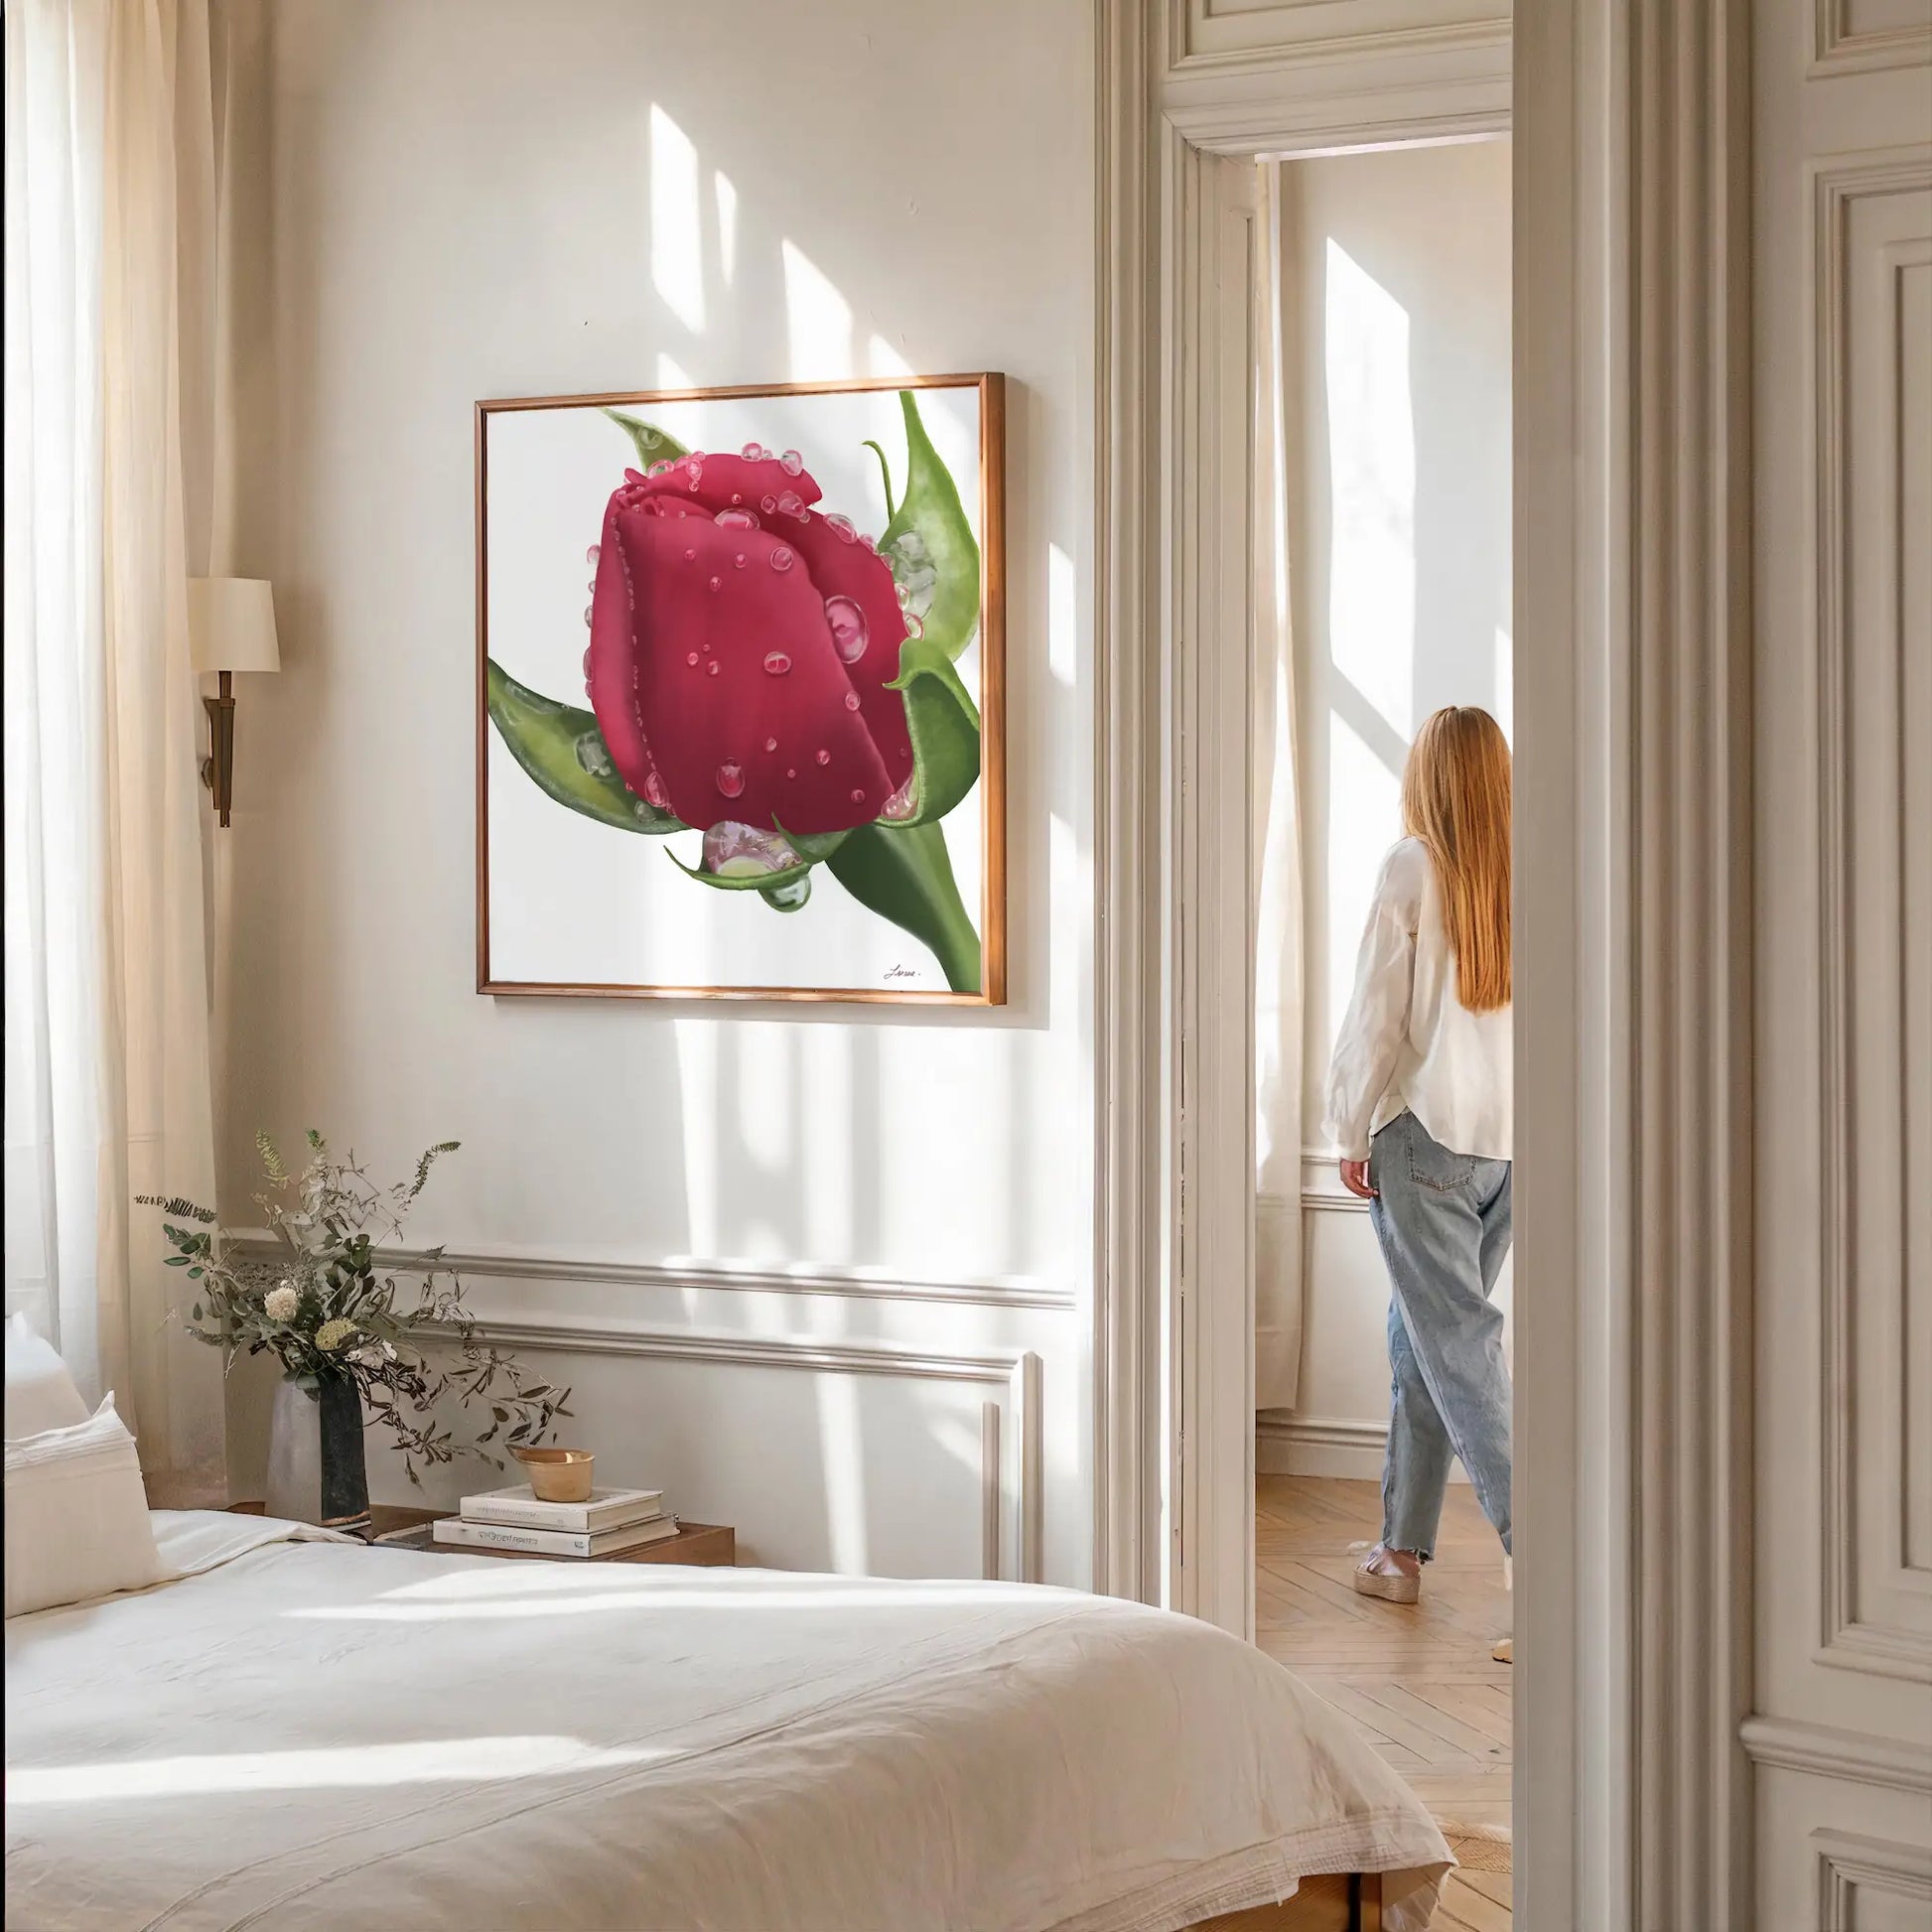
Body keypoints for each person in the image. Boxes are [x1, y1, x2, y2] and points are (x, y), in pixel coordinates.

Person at [1321, 706, 1514, 1660]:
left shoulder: (1413, 865)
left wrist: (1346, 1125)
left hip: (1423, 1141)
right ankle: (1398, 1552)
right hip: (1509, 1150)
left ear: (1428, 776)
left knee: (1459, 1349)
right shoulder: (1537, 865)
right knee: (1426, 1339)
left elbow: (1375, 1016)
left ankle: (1549, 1565)